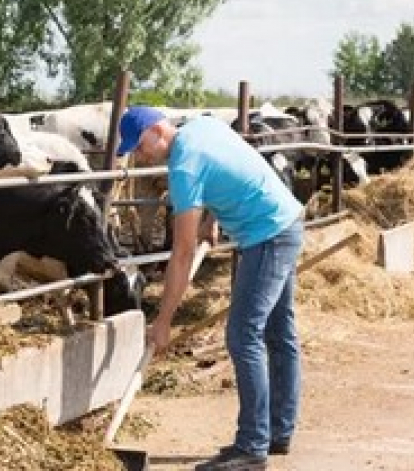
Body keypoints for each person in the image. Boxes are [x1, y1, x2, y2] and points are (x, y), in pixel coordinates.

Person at [116, 106, 304, 471]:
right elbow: (229, 168)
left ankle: (252, 446)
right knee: (280, 333)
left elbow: (182, 254)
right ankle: (277, 431)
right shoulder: (203, 126)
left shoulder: (182, 167)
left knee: (243, 335)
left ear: (157, 130)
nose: (140, 157)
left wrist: (164, 320)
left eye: (139, 147)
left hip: (266, 237)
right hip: (286, 221)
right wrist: (212, 219)